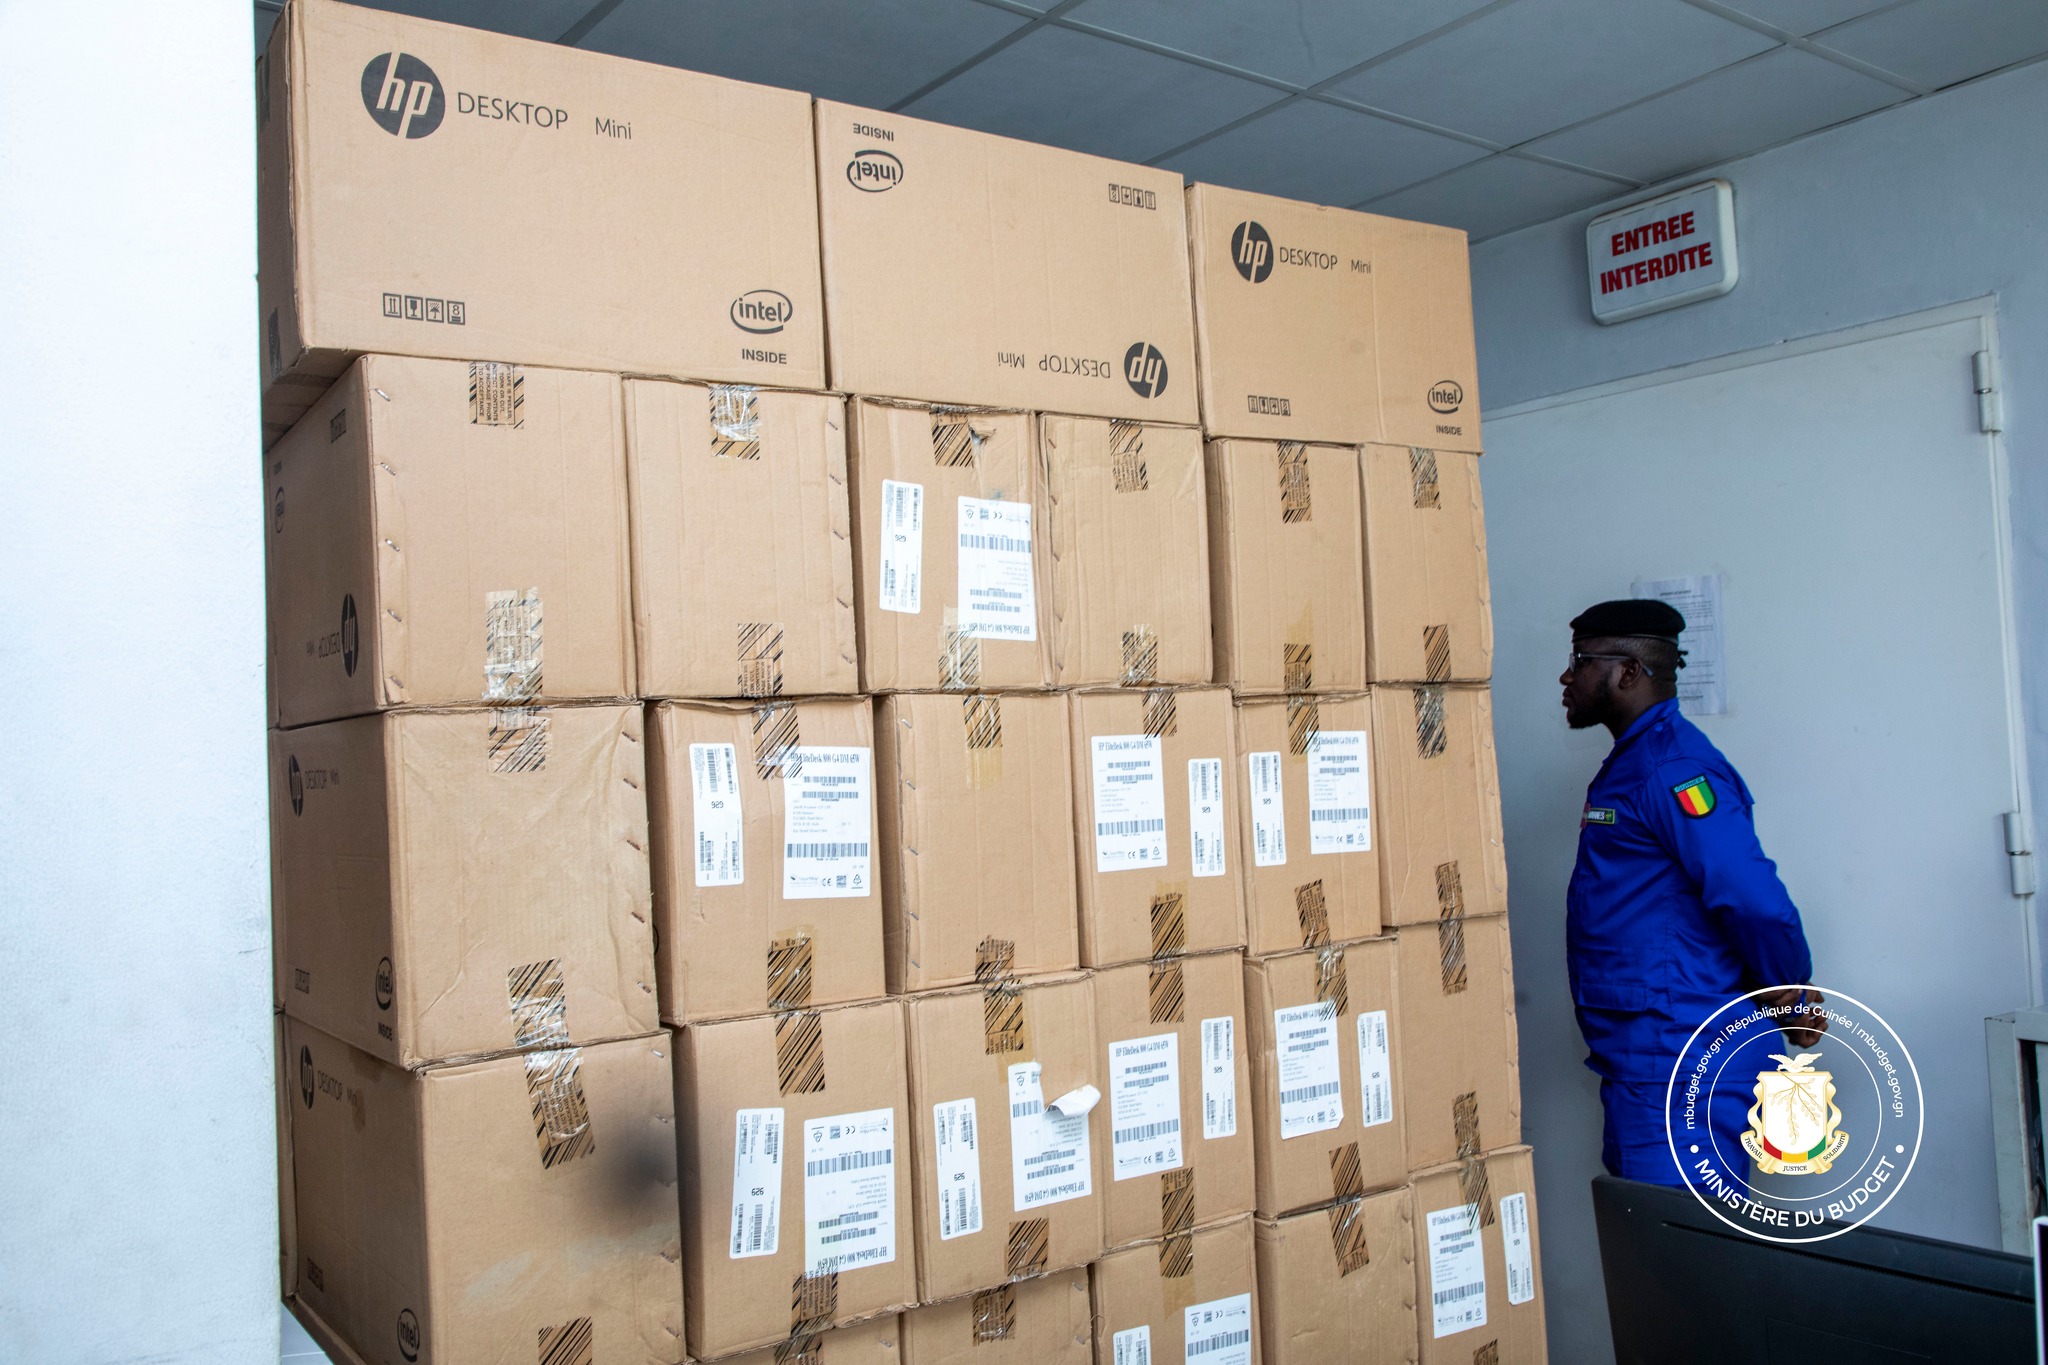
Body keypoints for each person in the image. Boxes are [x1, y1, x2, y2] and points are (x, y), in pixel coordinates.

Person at [1560, 598, 1825, 1184]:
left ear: (1628, 672)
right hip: (1652, 1055)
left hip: (1679, 1058)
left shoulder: (1671, 768)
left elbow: (1752, 898)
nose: (1566, 676)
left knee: (1671, 1237)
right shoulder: (1637, 761)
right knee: (1657, 1232)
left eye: (1580, 661)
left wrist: (1789, 991)